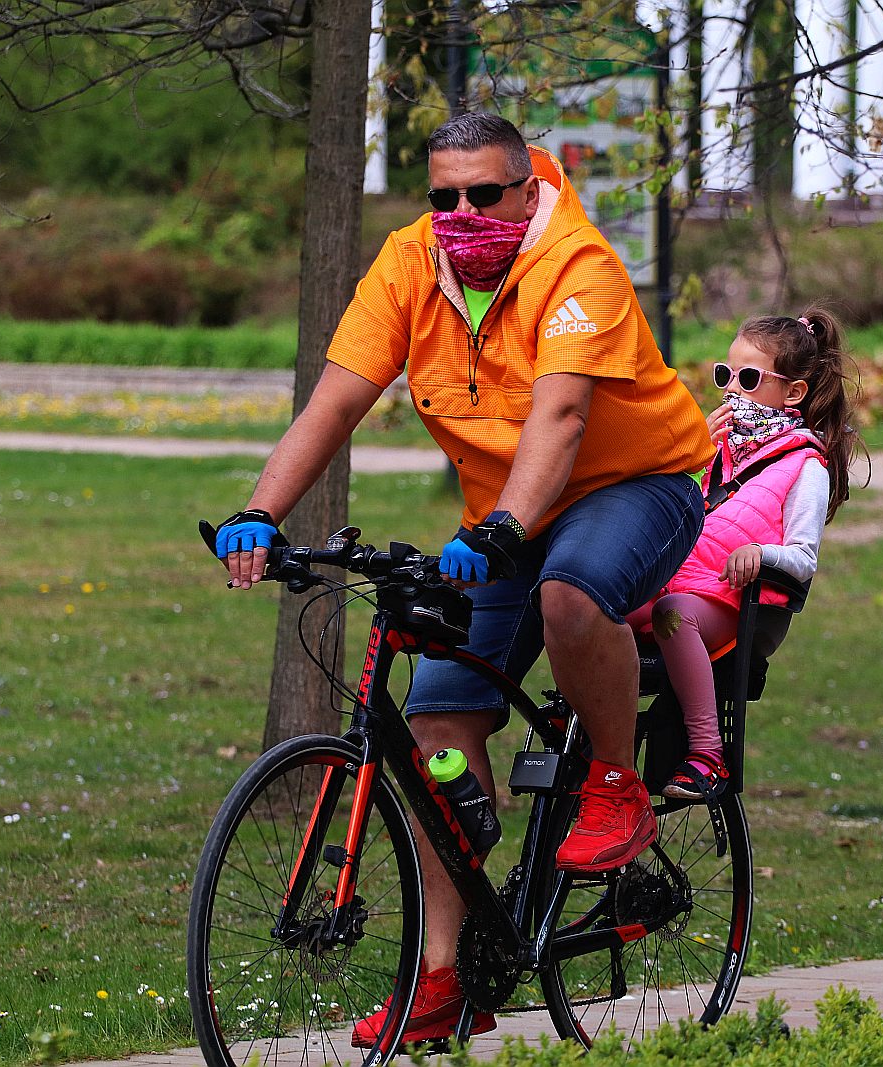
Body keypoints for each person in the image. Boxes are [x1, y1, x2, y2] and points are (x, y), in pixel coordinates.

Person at [209, 112, 713, 1046]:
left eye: (485, 193)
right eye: (445, 197)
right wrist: (261, 511)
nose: (464, 213)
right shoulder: (409, 262)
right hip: (503, 516)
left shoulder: (578, 264)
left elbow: (561, 420)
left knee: (570, 593)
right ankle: (444, 975)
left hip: (635, 484)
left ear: (526, 190)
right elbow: (336, 401)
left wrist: (506, 528)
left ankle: (614, 781)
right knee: (437, 723)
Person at [627, 307, 857, 802]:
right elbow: (672, 514)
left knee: (672, 614)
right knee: (598, 600)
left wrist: (761, 553)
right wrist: (693, 456)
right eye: (724, 375)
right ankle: (587, 724)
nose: (732, 389)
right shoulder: (717, 450)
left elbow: (803, 557)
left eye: (749, 379)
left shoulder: (806, 466)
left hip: (736, 607)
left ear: (792, 393)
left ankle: (707, 755)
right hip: (680, 582)